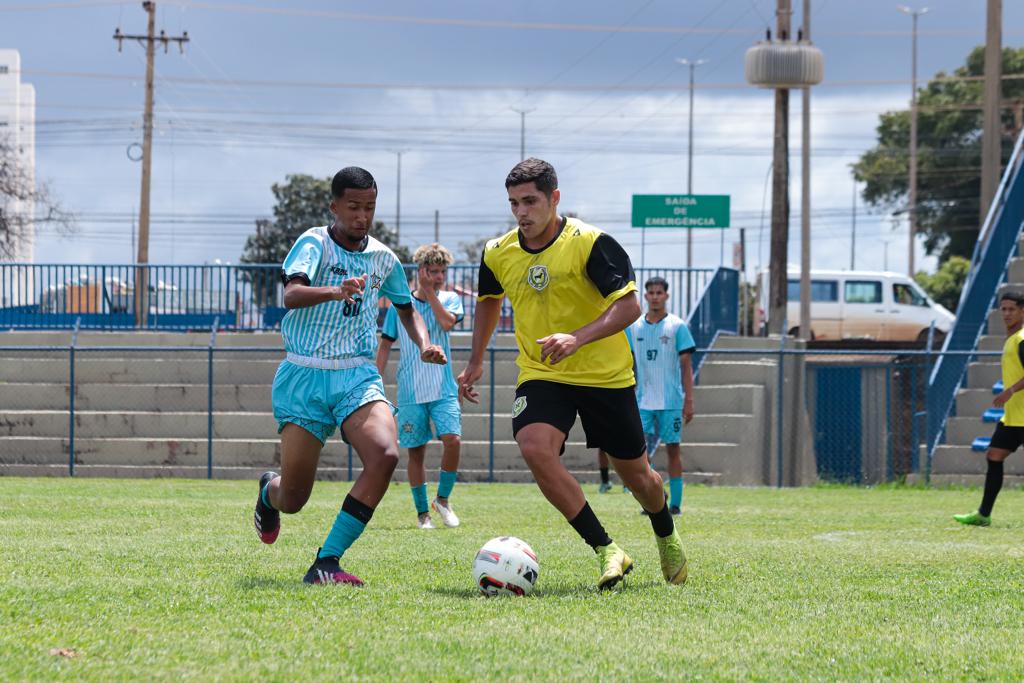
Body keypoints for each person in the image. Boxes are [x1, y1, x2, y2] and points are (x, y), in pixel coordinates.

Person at [457, 158, 688, 590]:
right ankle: (607, 549)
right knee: (533, 445)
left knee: (639, 477)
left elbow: (630, 306)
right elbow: (488, 300)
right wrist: (474, 360)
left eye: (530, 201)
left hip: (605, 375)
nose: (522, 212)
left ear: (554, 198)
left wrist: (577, 338)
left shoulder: (591, 243)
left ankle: (665, 532)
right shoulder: (497, 251)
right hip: (543, 372)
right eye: (514, 204)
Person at [252, 166, 446, 585]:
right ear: (334, 206)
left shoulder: (382, 258)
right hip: (305, 375)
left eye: (369, 207)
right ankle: (270, 490)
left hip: (357, 375)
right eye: (354, 207)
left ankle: (327, 561)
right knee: (293, 499)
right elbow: (291, 294)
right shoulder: (313, 242)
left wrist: (424, 342)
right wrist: (335, 290)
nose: (362, 216)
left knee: (385, 453)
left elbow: (406, 307)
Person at [376, 243, 464, 530]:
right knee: (416, 451)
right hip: (411, 390)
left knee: (453, 439)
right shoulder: (399, 306)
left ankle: (443, 499)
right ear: (420, 270)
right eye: (433, 271)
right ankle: (422, 514)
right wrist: (377, 382)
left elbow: (447, 323)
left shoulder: (449, 299)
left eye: (442, 272)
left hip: (443, 388)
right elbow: (385, 345)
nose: (438, 277)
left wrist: (429, 294)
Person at [954, 292, 1024, 527]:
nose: (1006, 313)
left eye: (1011, 309)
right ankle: (983, 515)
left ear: (1022, 311)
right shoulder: (1012, 338)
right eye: (1003, 309)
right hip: (1014, 417)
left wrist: (1010, 391)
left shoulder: (1022, 338)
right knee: (994, 455)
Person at [629, 276, 696, 515]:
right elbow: (628, 363)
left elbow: (687, 366)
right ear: (645, 296)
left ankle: (675, 505)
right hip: (642, 400)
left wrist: (689, 400)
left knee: (673, 449)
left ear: (666, 296)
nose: (655, 297)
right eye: (651, 293)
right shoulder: (634, 327)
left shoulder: (677, 326)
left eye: (660, 293)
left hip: (671, 401)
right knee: (638, 453)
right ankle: (655, 496)